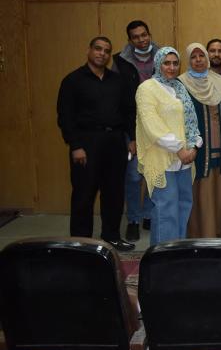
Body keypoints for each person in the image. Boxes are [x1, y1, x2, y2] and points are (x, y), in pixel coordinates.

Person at [57, 36, 135, 251]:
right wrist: (75, 145)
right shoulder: (73, 80)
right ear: (89, 50)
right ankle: (81, 242)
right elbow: (65, 117)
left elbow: (128, 112)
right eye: (98, 49)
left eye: (107, 51)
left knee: (114, 193)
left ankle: (111, 236)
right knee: (84, 194)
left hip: (115, 142)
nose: (102, 53)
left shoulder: (117, 81)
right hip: (86, 143)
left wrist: (132, 138)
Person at [135, 47, 202, 246]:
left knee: (183, 205)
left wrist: (195, 146)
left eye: (175, 63)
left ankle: (177, 251)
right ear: (158, 64)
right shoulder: (147, 88)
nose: (171, 67)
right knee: (166, 210)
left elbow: (191, 120)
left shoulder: (179, 87)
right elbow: (152, 124)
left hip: (185, 159)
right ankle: (164, 257)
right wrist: (179, 149)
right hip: (162, 158)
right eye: (166, 63)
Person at [178, 43, 221, 238]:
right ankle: (197, 235)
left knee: (218, 192)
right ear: (188, 60)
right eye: (194, 56)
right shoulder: (181, 84)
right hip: (196, 150)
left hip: (220, 146)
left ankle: (216, 232)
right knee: (197, 192)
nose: (198, 60)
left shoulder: (220, 82)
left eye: (201, 56)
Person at [113, 19, 158, 241]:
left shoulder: (162, 56)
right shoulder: (120, 61)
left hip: (156, 126)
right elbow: (118, 101)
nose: (142, 40)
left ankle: (149, 214)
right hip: (132, 126)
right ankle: (133, 219)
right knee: (133, 176)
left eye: (144, 34)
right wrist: (130, 136)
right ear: (130, 40)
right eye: (136, 37)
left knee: (154, 172)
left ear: (149, 34)